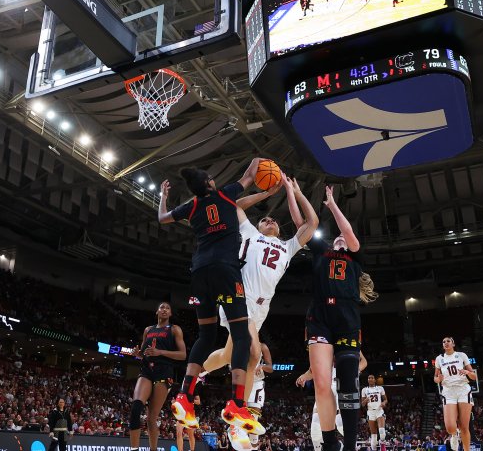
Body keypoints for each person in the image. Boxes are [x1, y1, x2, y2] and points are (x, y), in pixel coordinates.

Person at [203, 174, 318, 448]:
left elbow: (312, 223)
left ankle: (195, 373)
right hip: (238, 297)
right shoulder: (249, 233)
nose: (270, 220)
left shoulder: (288, 247)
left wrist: (297, 193)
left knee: (229, 354)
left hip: (260, 308)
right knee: (253, 353)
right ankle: (236, 417)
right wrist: (267, 193)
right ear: (258, 225)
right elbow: (234, 205)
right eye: (265, 219)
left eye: (274, 220)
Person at [158, 158, 264, 435]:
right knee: (241, 336)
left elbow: (162, 218)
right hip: (226, 272)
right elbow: (251, 170)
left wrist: (163, 197)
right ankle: (237, 403)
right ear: (209, 183)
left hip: (200, 272)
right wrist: (263, 165)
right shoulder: (226, 194)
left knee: (206, 336)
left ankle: (184, 396)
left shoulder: (191, 206)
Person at [305, 185, 377, 451]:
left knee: (348, 381)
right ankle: (330, 442)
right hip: (321, 315)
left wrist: (333, 204)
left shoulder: (355, 257)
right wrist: (293, 193)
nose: (340, 239)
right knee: (323, 385)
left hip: (347, 318)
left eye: (344, 240)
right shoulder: (322, 252)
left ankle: (349, 445)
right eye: (337, 238)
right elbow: (304, 224)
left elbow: (348, 232)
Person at [129, 302, 187, 451]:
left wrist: (160, 352)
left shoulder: (174, 329)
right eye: (162, 307)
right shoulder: (148, 330)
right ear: (157, 311)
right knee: (136, 408)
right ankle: (133, 448)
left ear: (171, 314)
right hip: (147, 370)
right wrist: (138, 354)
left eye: (168, 308)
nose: (164, 310)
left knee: (151, 418)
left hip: (164, 372)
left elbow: (182, 355)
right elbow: (143, 353)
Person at [297, 353, 368, 451]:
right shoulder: (323, 347)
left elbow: (364, 362)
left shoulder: (347, 348)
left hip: (343, 389)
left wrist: (356, 361)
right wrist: (303, 377)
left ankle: (350, 446)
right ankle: (335, 446)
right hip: (324, 389)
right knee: (315, 431)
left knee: (341, 424)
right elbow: (312, 371)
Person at [434, 337, 476, 451]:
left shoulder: (461, 355)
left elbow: (474, 376)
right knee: (450, 427)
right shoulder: (439, 359)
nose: (446, 343)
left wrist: (467, 372)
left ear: (453, 343)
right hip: (448, 391)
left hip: (463, 389)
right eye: (443, 342)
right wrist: (439, 379)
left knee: (464, 426)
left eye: (448, 341)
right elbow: (435, 378)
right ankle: (454, 434)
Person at [362, 374, 388, 450]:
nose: (370, 379)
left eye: (372, 378)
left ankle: (382, 442)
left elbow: (386, 399)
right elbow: (362, 404)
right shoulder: (364, 390)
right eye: (369, 378)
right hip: (370, 412)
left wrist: (384, 403)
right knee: (373, 435)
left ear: (375, 380)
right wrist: (365, 401)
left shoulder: (380, 388)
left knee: (382, 431)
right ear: (367, 380)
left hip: (379, 411)